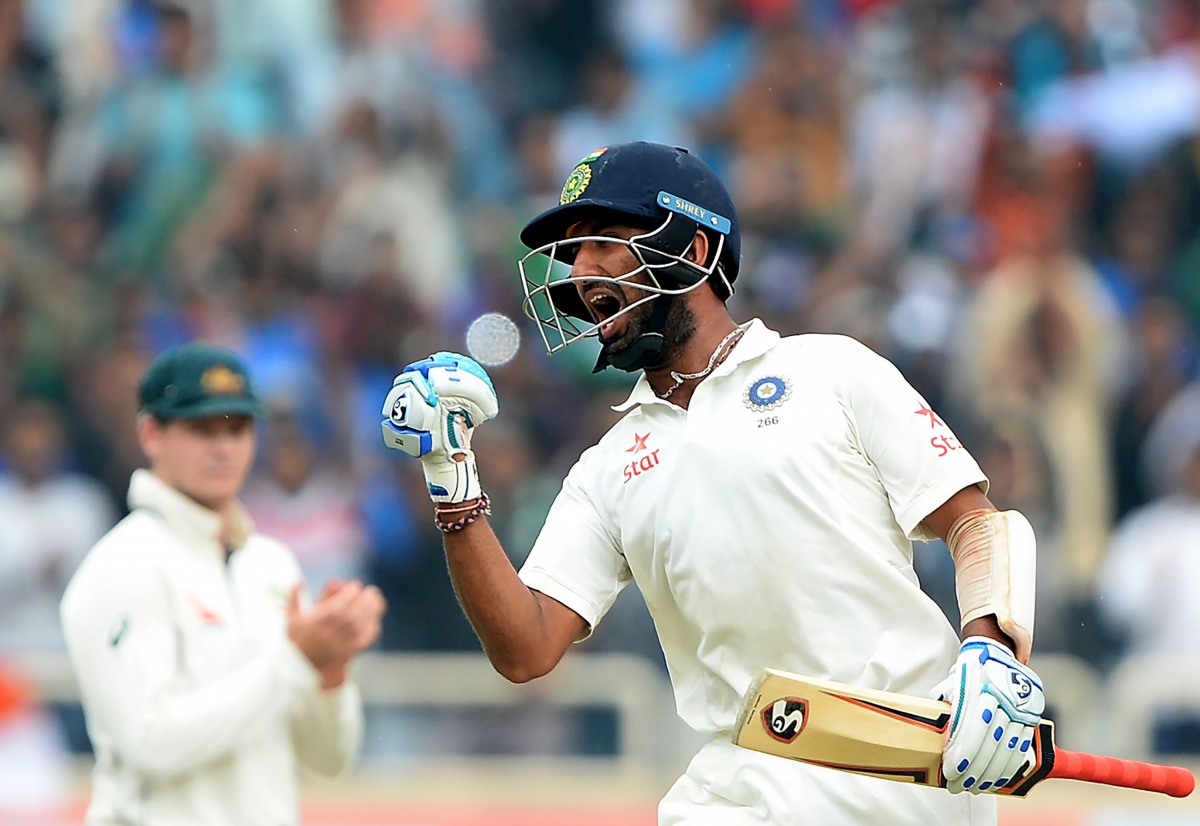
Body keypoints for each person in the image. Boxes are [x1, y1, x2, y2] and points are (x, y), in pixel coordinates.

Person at [380, 142, 1044, 824]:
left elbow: (977, 522)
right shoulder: (609, 466)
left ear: (694, 250)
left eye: (606, 241)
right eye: (573, 252)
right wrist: (450, 476)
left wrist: (991, 657)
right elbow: (525, 648)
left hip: (900, 775)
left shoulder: (832, 372)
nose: (580, 272)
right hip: (738, 783)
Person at [61, 343, 385, 826]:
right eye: (201, 428)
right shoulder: (122, 564)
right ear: (151, 433)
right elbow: (149, 743)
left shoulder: (270, 564)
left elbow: (328, 762)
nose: (224, 447)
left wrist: (329, 672)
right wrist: (295, 661)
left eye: (238, 427)